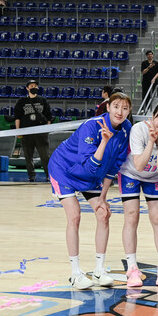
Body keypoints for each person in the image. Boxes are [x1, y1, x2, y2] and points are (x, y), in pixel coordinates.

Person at [48, 92, 132, 289]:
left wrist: (103, 197)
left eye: (125, 108)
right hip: (64, 170)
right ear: (108, 107)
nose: (120, 112)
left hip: (91, 175)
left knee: (103, 214)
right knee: (74, 216)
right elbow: (88, 165)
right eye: (116, 107)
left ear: (129, 111)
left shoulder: (126, 128)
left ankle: (99, 271)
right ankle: (75, 273)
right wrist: (103, 142)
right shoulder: (91, 126)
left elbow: (115, 165)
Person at [118, 102, 158, 287]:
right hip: (130, 173)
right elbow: (138, 165)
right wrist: (152, 141)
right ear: (152, 117)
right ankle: (132, 268)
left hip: (154, 176)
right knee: (132, 216)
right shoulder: (139, 130)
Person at [14, 79, 52, 182]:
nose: (33, 87)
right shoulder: (22, 101)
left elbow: (49, 117)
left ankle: (49, 175)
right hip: (27, 133)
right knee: (28, 156)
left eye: (35, 86)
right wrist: (18, 131)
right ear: (27, 88)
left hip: (41, 133)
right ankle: (31, 175)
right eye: (31, 86)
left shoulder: (43, 100)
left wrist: (47, 129)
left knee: (45, 156)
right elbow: (17, 117)